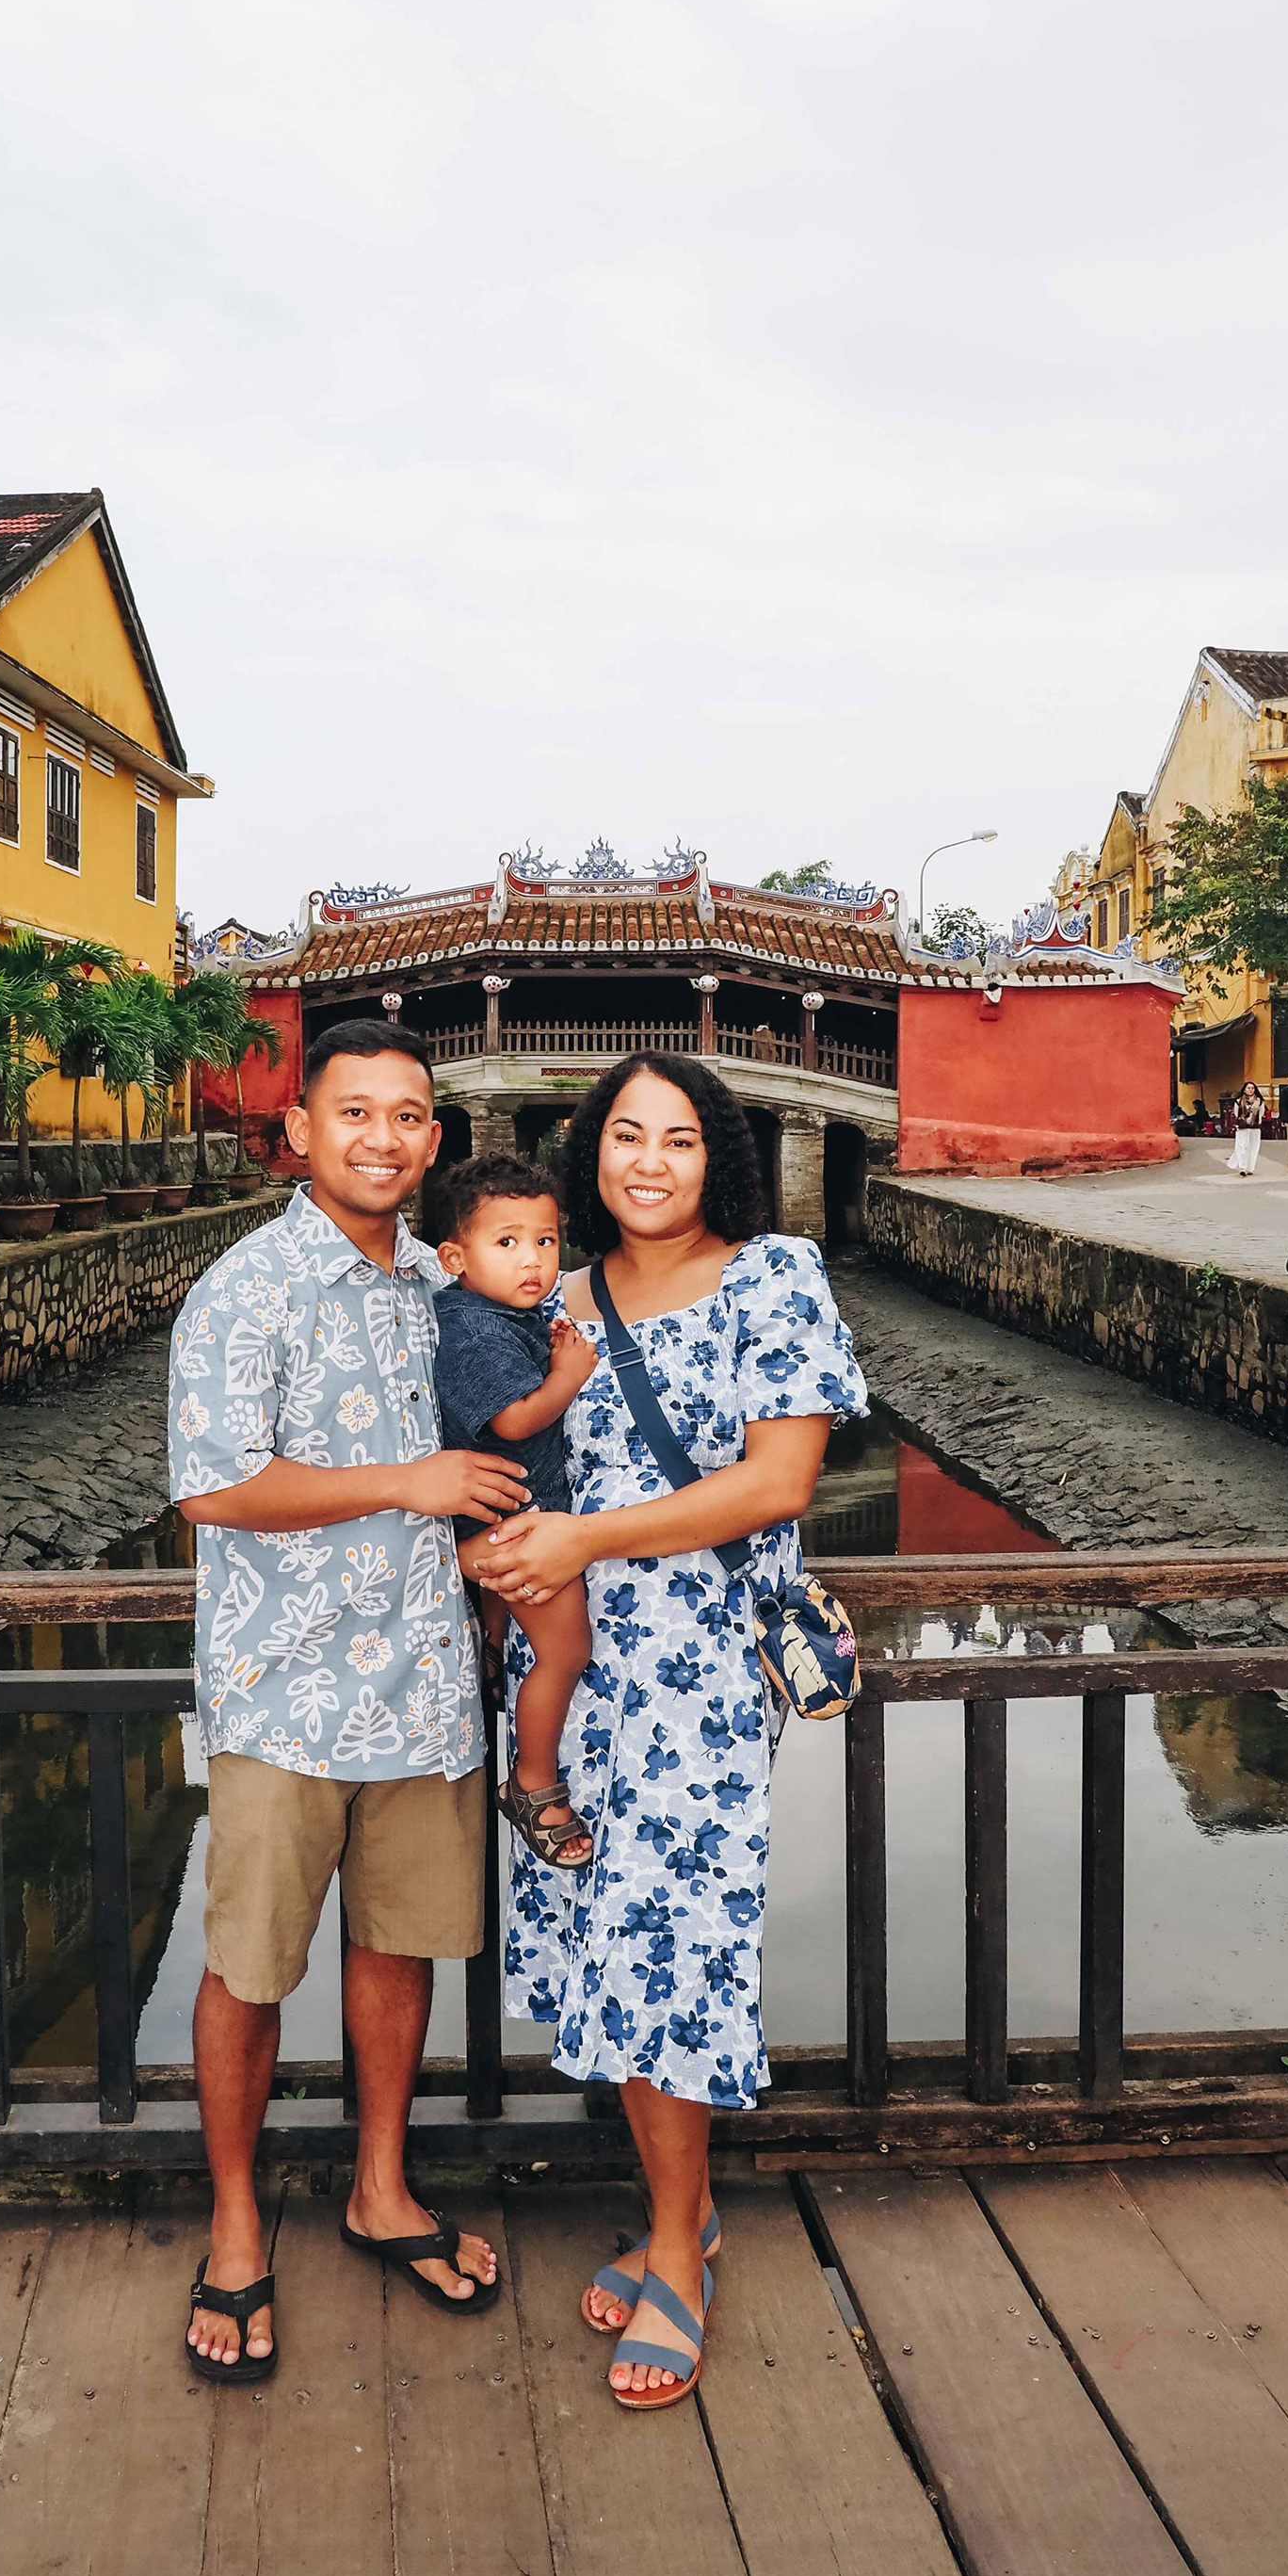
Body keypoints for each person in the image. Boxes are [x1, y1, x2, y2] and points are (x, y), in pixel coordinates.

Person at [474, 1053, 867, 2414]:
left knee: (674, 1937)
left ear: (719, 1160)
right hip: (576, 1671)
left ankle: (681, 2262)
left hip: (699, 1679)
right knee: (612, 1935)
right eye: (627, 1137)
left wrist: (585, 1533)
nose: (650, 1161)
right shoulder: (557, 1296)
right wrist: (501, 1544)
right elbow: (501, 1447)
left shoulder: (775, 1277)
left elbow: (781, 1478)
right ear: (592, 1152)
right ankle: (675, 2214)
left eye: (680, 1140)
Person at [170, 1018, 527, 2382]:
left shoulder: (432, 1282)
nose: (384, 1136)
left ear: (434, 1140)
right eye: (356, 1112)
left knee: (399, 1947)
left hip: (426, 1681)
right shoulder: (246, 1289)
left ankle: (381, 2186)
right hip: (282, 1689)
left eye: (409, 1115)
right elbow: (212, 1487)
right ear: (301, 1132)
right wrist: (408, 1481)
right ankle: (236, 2224)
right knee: (249, 1966)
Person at [432, 1153, 599, 1869]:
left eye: (546, 1240)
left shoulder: (501, 1311)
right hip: (512, 1527)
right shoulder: (473, 1327)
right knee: (567, 1651)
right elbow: (514, 1421)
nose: (532, 1260)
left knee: (528, 1632)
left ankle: (492, 1645)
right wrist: (567, 1375)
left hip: (508, 1516)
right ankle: (533, 1782)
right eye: (507, 1243)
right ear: (453, 1255)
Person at [1227, 1079, 1265, 1175]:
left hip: (1254, 1127)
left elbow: (1261, 1113)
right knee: (1242, 1146)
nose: (1251, 1090)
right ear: (1244, 1089)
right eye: (1248, 1088)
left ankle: (1250, 1168)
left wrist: (1257, 1122)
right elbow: (1236, 1113)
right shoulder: (1238, 1101)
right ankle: (1242, 1167)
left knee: (1253, 1147)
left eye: (1252, 1088)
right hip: (1242, 1127)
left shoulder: (1259, 1101)